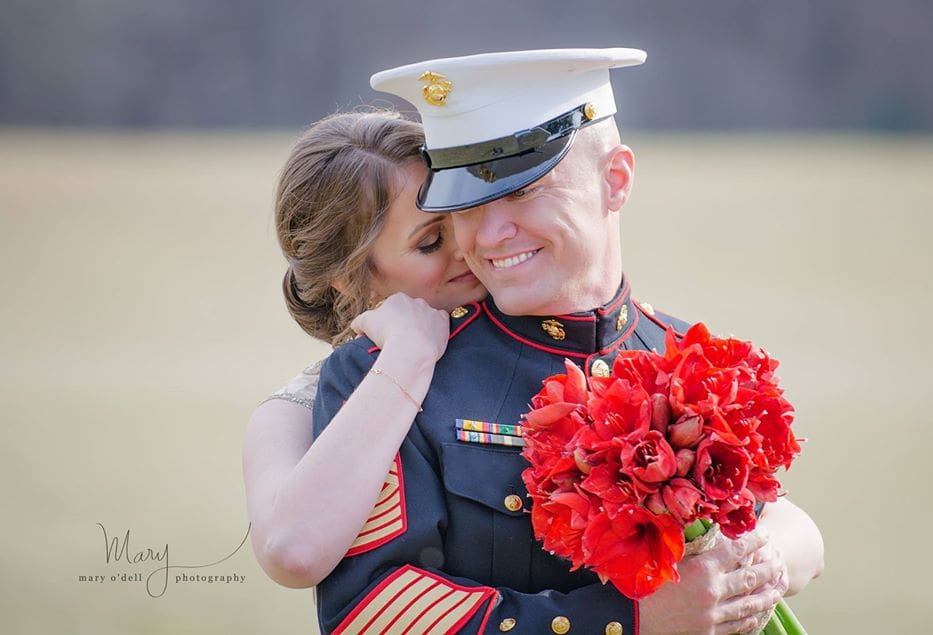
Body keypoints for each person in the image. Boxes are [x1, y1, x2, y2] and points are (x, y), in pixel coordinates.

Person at [310, 48, 823, 634]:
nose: (491, 234)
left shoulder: (697, 363)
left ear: (616, 179)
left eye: (524, 191)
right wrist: (621, 623)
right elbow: (369, 613)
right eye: (467, 204)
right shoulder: (386, 375)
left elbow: (775, 534)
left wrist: (759, 569)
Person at [242, 110, 486, 588]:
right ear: (351, 276)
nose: (468, 247)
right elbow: (293, 551)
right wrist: (407, 356)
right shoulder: (292, 412)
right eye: (431, 240)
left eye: (465, 215)